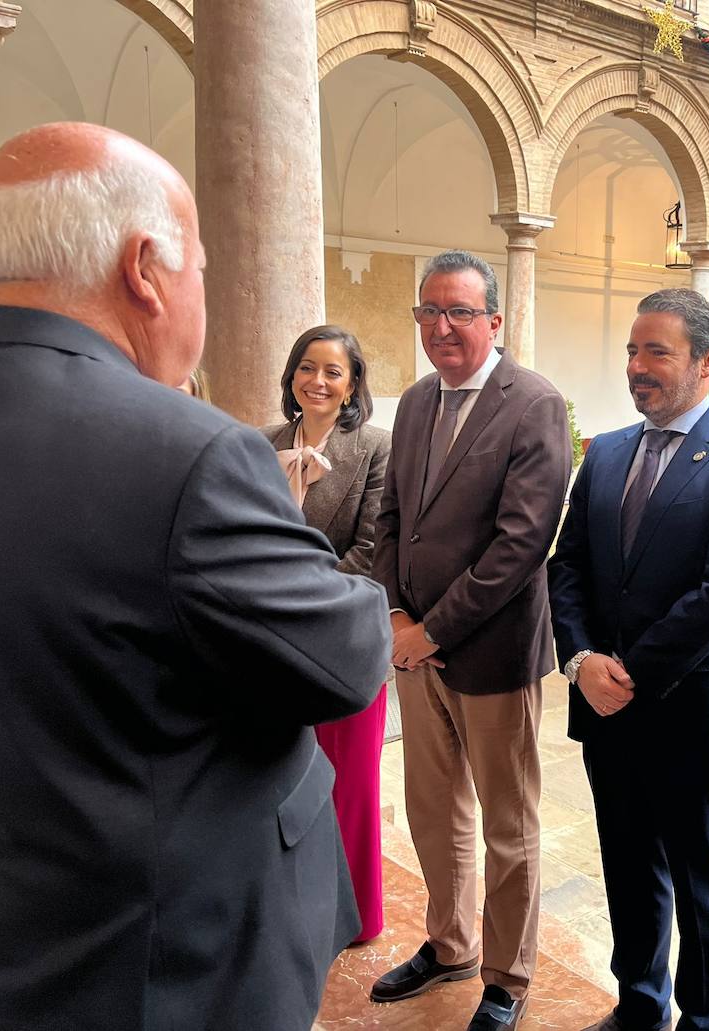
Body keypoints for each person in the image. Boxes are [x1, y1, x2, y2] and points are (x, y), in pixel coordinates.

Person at [0, 123, 391, 1031]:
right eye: (200, 265)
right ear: (145, 268)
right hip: (161, 964)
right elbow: (346, 658)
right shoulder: (189, 453)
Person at [547, 288, 709, 1031]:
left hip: (689, 714)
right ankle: (640, 1004)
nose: (637, 367)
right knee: (628, 871)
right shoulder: (608, 450)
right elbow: (568, 566)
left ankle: (707, 1021)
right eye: (631, 350)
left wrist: (632, 673)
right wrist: (582, 658)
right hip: (605, 709)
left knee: (703, 881)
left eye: (657, 351)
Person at [368, 249, 572, 1031]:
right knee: (432, 807)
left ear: (494, 319)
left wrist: (429, 631)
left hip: (489, 655)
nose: (442, 327)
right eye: (429, 311)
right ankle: (448, 942)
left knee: (506, 823)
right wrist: (393, 618)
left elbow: (520, 547)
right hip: (416, 653)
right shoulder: (417, 402)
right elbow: (391, 521)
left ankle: (508, 976)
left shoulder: (535, 404)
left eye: (459, 311)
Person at [263, 325, 392, 944]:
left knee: (352, 787)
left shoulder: (374, 447)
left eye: (333, 371)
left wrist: (291, 597)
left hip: (342, 645)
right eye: (307, 368)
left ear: (353, 383)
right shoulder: (260, 444)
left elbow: (370, 552)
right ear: (292, 375)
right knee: (281, 786)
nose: (317, 381)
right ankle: (293, 910)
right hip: (271, 650)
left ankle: (354, 917)